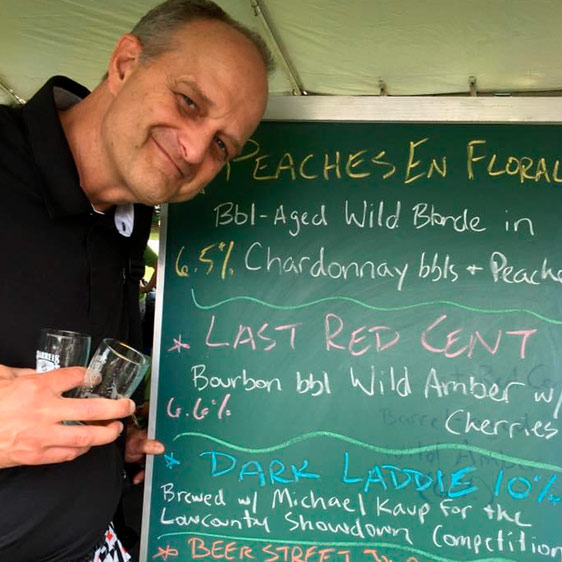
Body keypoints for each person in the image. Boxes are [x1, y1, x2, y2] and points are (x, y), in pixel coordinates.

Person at [0, 0, 271, 560]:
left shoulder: (127, 229)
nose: (196, 149)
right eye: (189, 101)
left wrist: (107, 445)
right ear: (125, 63)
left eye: (222, 145)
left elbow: (50, 386)